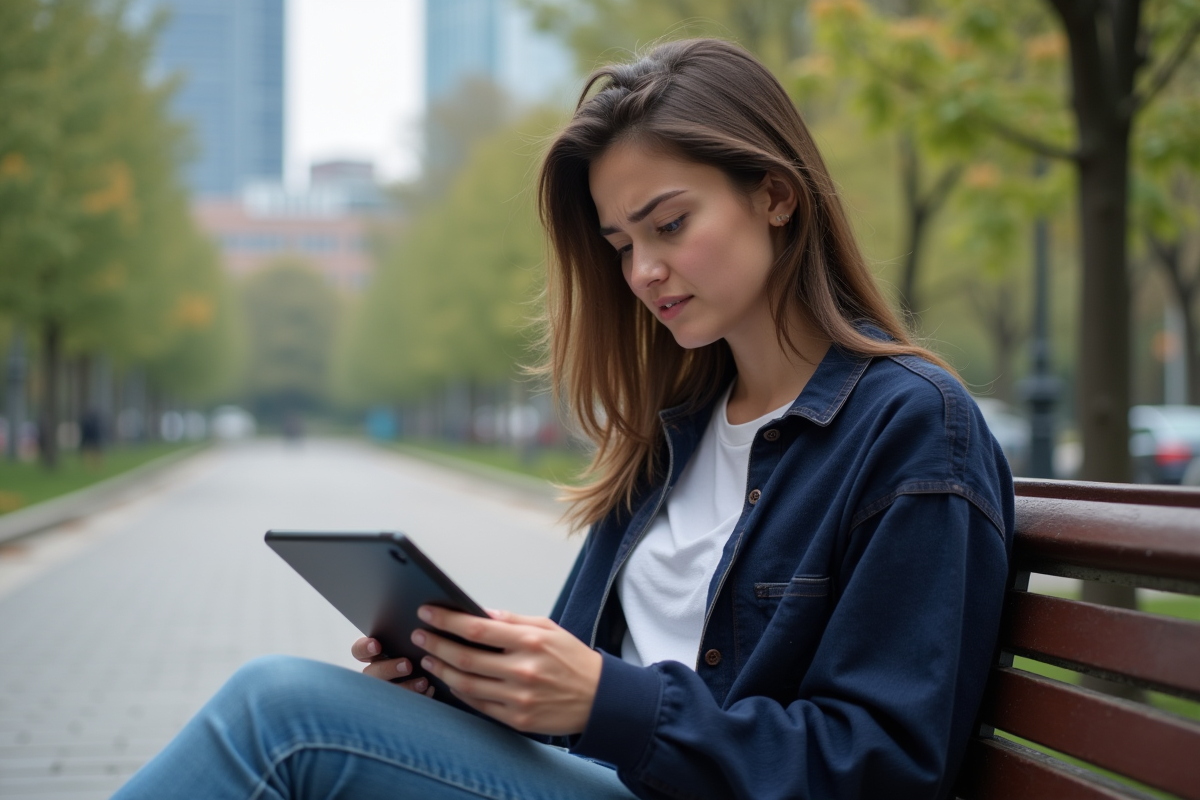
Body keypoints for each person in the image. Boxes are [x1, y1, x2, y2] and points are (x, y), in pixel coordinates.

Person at [112, 38, 1012, 800]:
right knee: (294, 709)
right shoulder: (677, 432)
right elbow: (586, 687)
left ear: (775, 196)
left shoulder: (913, 430)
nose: (643, 271)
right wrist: (467, 685)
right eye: (623, 245)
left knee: (281, 715)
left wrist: (606, 703)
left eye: (669, 224)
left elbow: (888, 765)